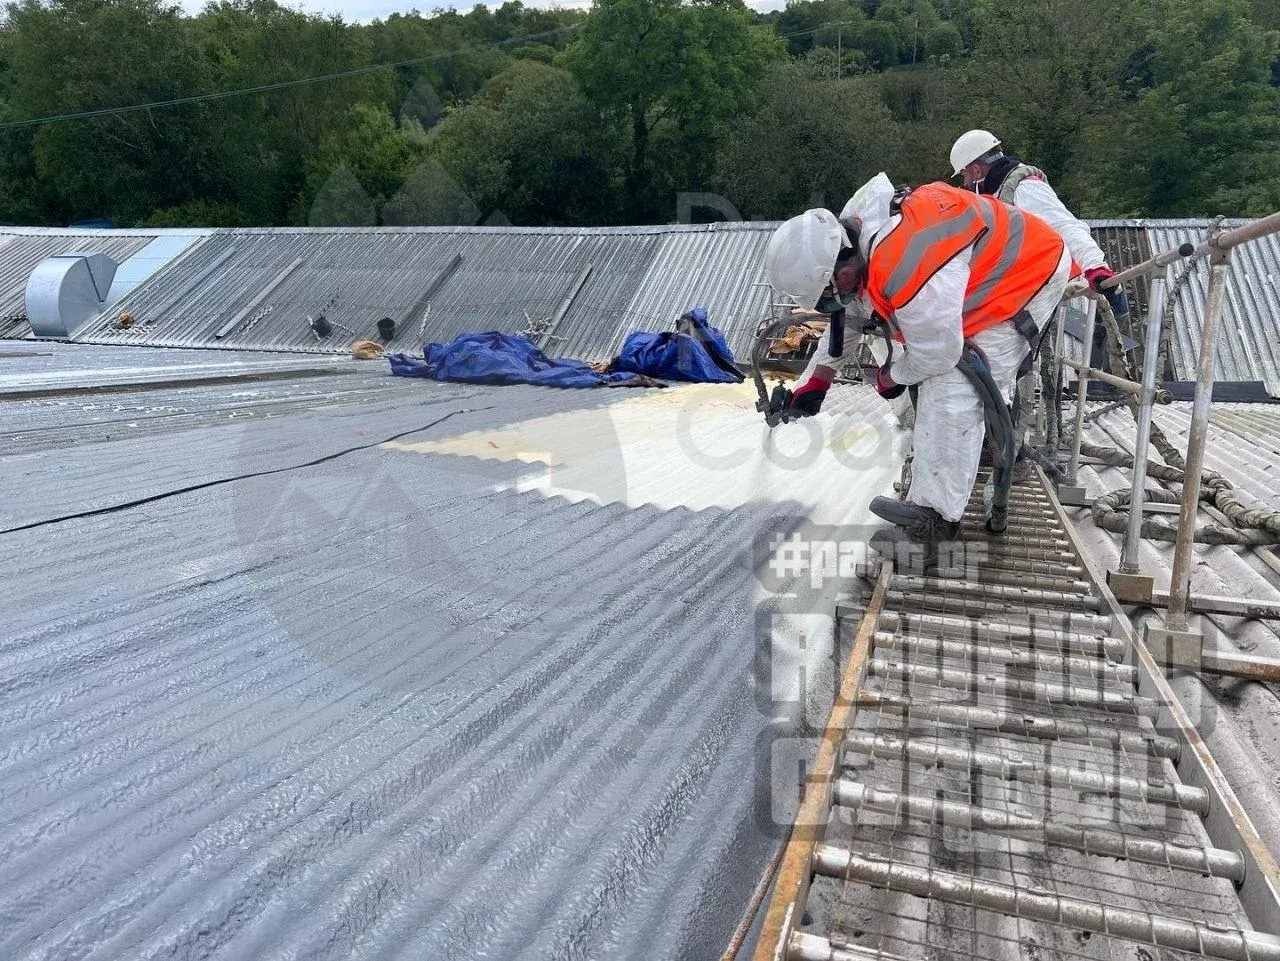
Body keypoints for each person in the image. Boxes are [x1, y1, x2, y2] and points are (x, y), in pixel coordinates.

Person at [762, 173, 1072, 567]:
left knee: (953, 385)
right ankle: (962, 459)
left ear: (842, 261)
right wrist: (815, 383)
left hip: (1026, 270)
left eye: (829, 291)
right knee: (937, 370)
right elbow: (851, 313)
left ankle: (935, 526)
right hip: (977, 265)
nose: (831, 301)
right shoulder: (848, 237)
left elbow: (939, 354)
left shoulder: (906, 260)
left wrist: (891, 376)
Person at [950, 130, 1130, 411]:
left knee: (997, 361)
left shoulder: (1024, 188)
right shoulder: (999, 194)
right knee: (994, 359)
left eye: (965, 175)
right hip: (1016, 286)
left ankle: (998, 436)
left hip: (1031, 285)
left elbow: (1066, 225)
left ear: (976, 168)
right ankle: (1000, 430)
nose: (965, 182)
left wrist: (1095, 267)